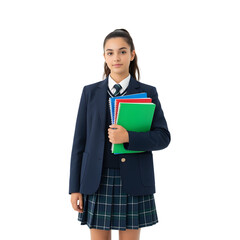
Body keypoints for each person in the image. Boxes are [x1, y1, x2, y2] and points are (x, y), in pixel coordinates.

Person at [69, 28, 171, 240]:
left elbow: (163, 137)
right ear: (104, 57)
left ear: (132, 54)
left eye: (122, 51)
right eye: (110, 52)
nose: (116, 57)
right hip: (96, 181)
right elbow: (79, 143)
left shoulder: (147, 92)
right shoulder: (90, 92)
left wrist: (129, 138)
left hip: (133, 181)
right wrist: (74, 188)